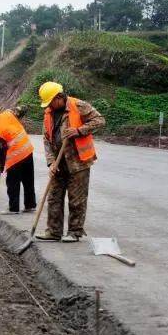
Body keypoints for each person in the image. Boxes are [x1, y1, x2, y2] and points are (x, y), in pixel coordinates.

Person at [35, 81, 105, 243]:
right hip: (59, 163)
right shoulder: (48, 113)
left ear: (59, 97)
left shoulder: (77, 105)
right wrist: (51, 162)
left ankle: (74, 232)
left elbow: (100, 120)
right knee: (54, 197)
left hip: (78, 162)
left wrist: (79, 130)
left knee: (76, 199)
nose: (50, 106)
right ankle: (53, 232)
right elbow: (46, 139)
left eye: (51, 102)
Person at [0, 102, 36, 214]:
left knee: (12, 183)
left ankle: (14, 208)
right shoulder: (9, 113)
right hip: (28, 151)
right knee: (28, 180)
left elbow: (0, 152)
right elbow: (24, 108)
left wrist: (1, 165)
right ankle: (30, 205)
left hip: (15, 157)